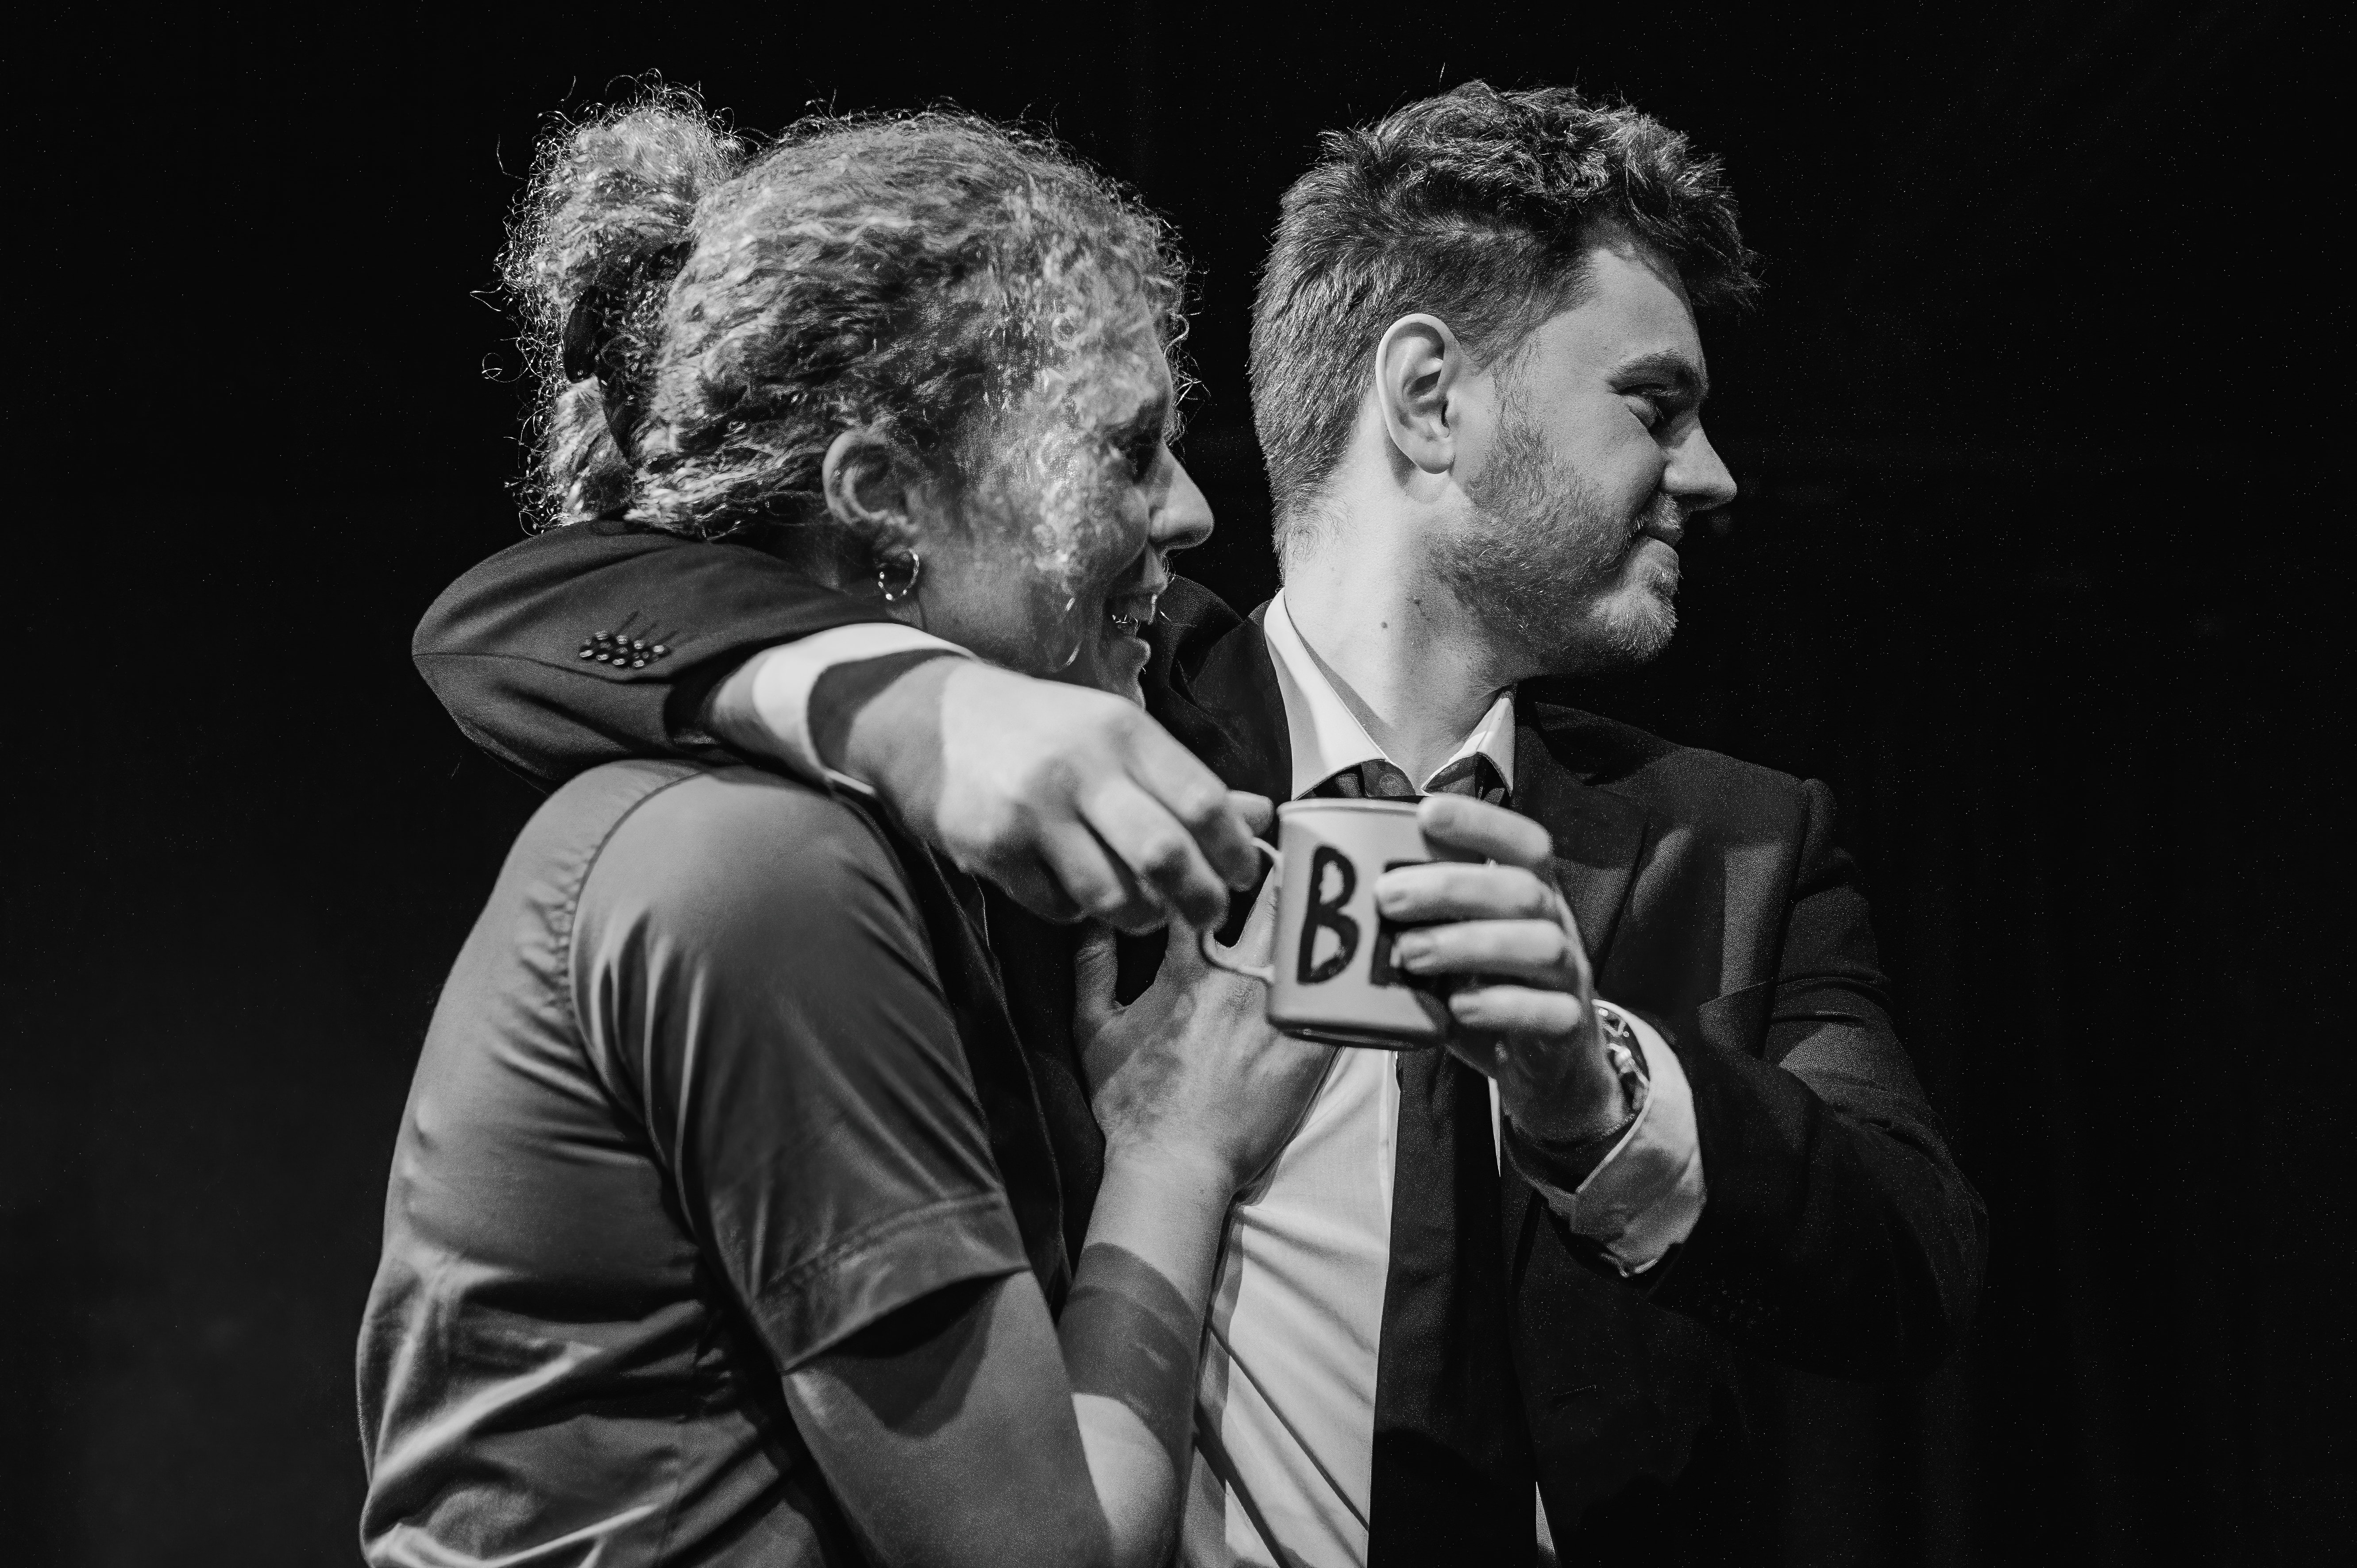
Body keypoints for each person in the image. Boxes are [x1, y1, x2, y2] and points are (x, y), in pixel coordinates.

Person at [413, 84, 1988, 1564]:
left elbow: (1917, 1266)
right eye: (1656, 404)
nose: (1712, 474)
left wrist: (1603, 1098)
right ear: (1430, 398)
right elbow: (526, 616)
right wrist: (921, 708)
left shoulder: (1738, 844)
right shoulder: (1078, 725)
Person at [359, 100, 1352, 1568]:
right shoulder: (771, 867)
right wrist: (1178, 1149)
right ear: (885, 499)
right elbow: (1046, 1561)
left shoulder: (846, 830)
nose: (1195, 508)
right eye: (1129, 448)